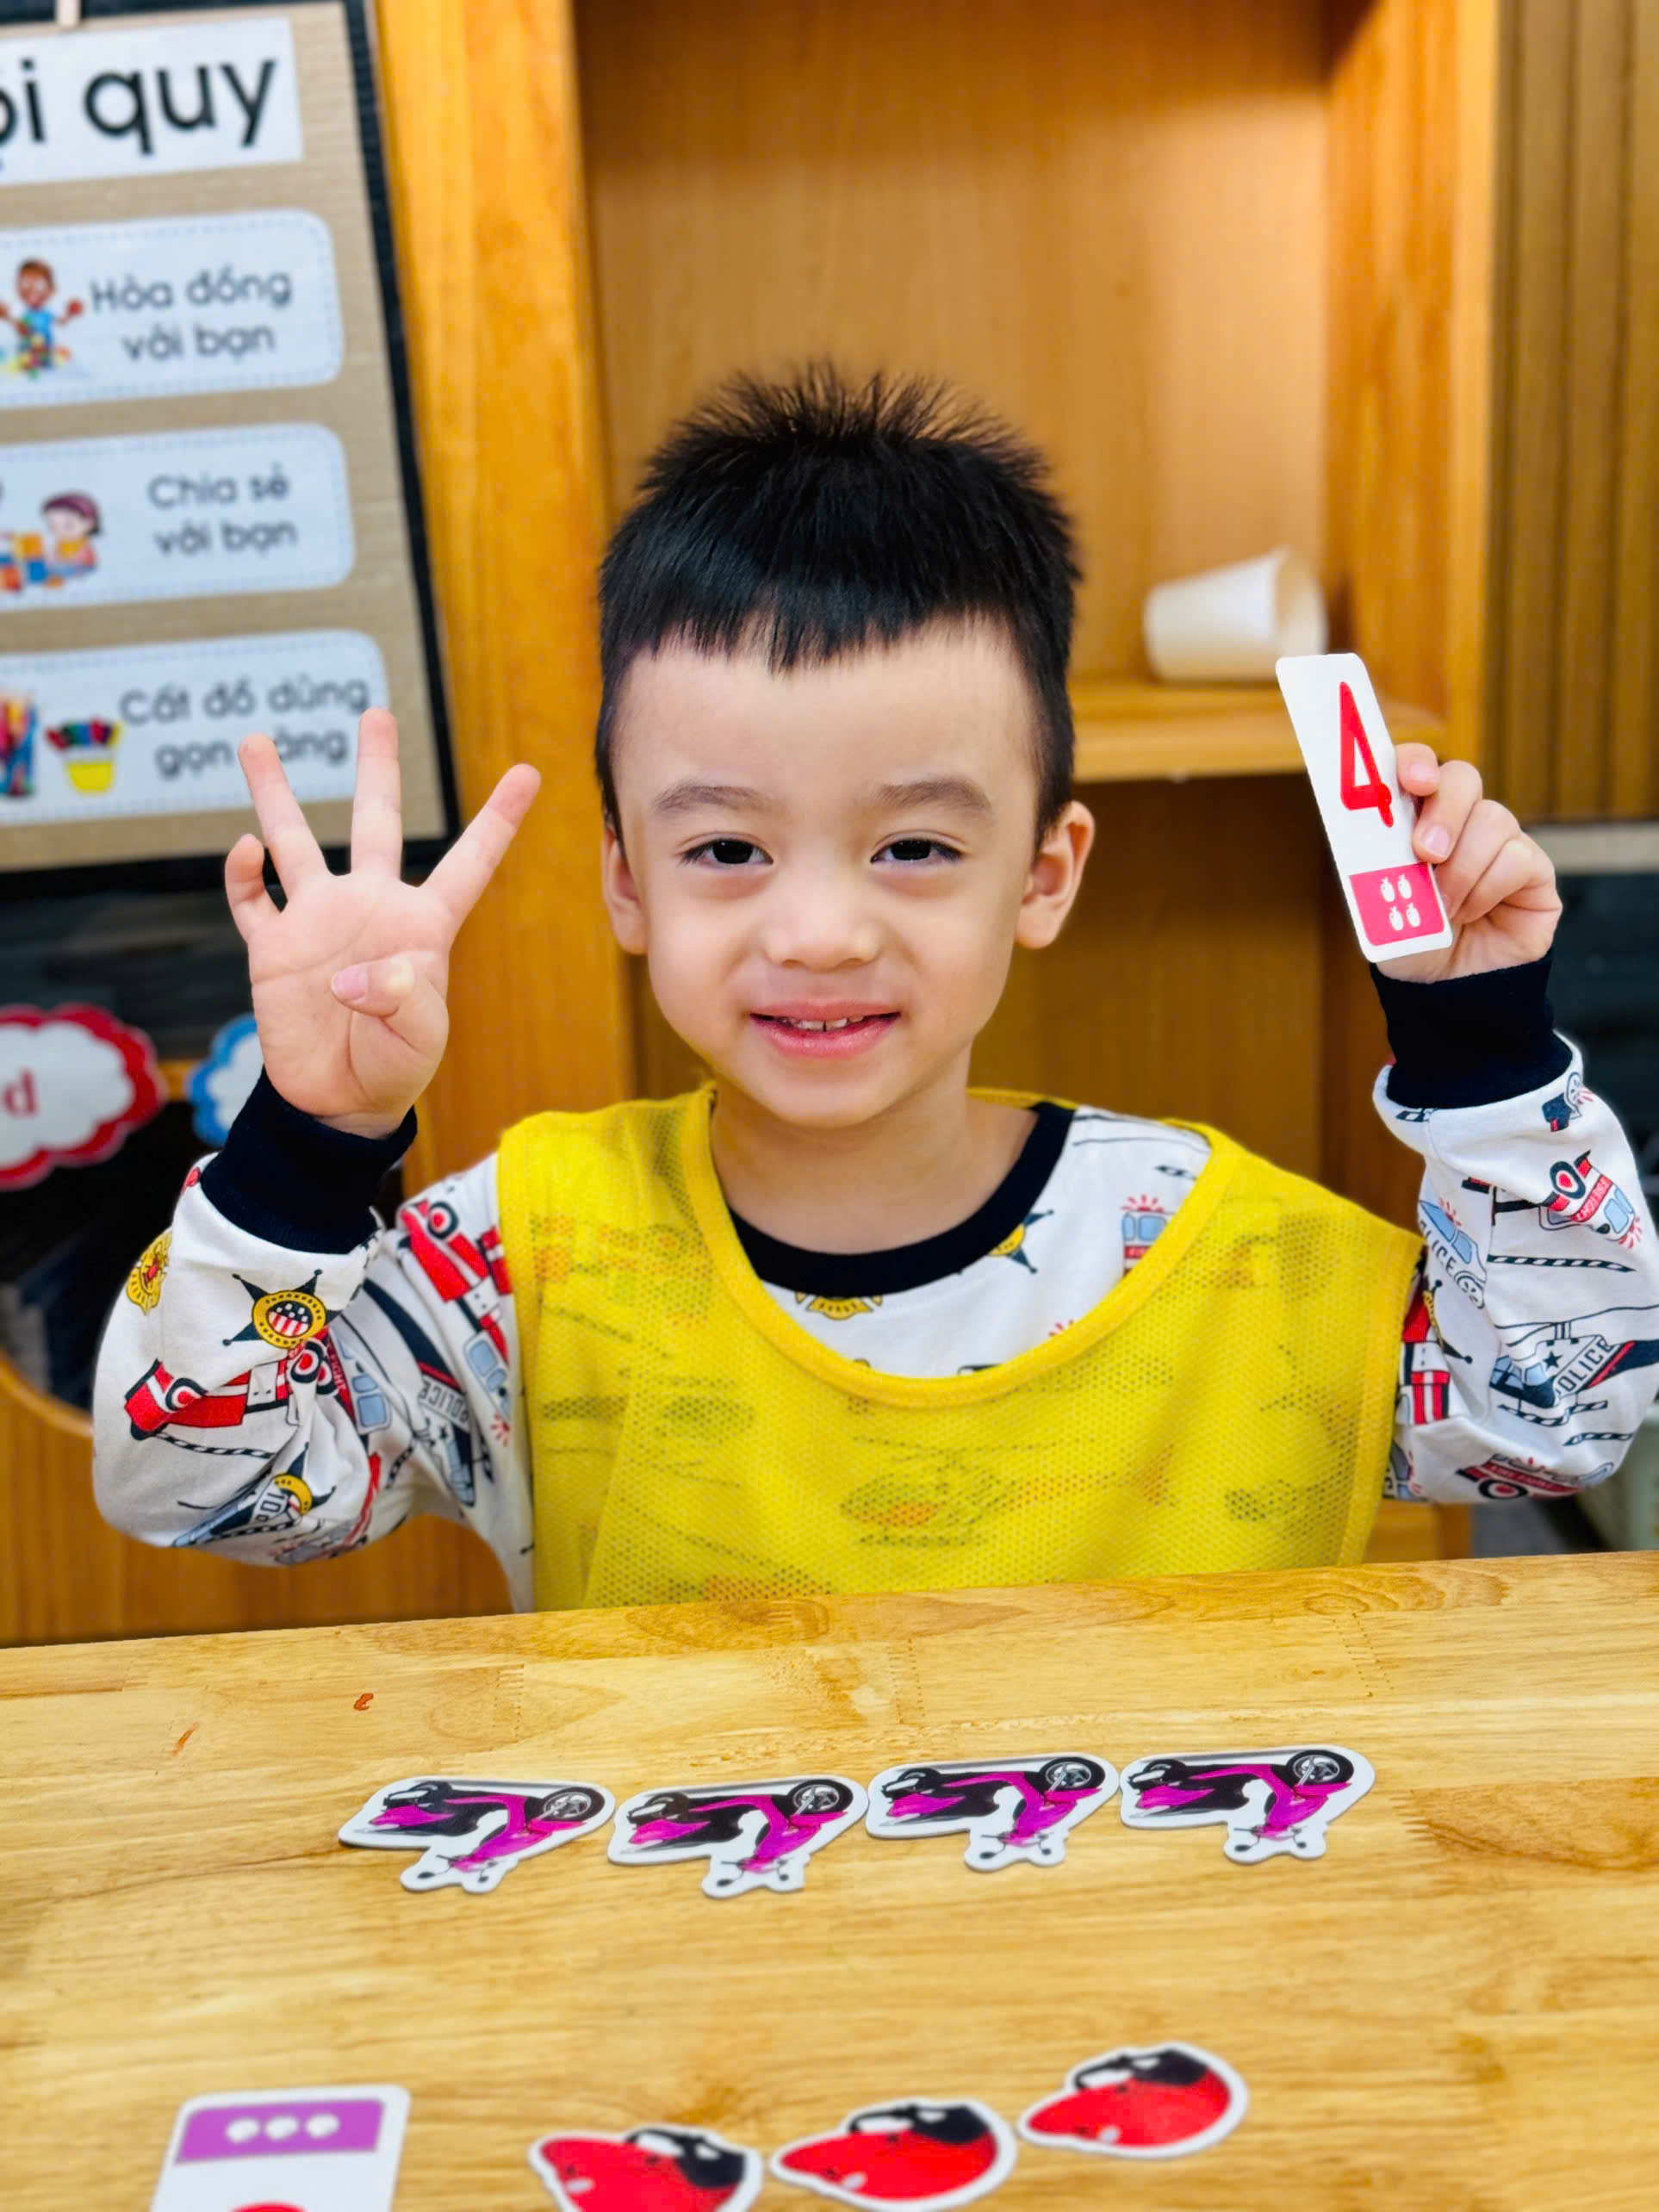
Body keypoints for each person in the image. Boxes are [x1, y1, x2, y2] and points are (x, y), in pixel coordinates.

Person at [92, 367, 1659, 1608]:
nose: (822, 932)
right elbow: (196, 1488)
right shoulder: (523, 1257)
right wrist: (312, 1137)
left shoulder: (1224, 1250)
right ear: (625, 881)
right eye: (726, 850)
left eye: (912, 846)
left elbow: (1552, 1424)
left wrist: (1478, 1043)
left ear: (1041, 872)